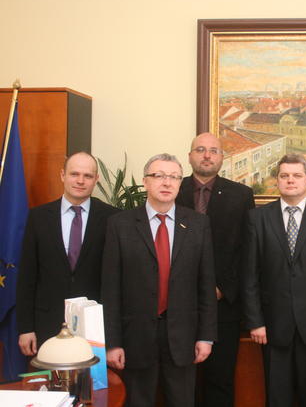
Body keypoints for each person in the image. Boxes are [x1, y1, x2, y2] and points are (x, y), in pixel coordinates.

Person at [102, 153, 217, 407]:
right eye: (159, 176)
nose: (167, 182)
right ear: (145, 181)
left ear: (180, 183)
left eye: (174, 177)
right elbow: (110, 289)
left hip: (183, 337)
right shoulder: (120, 225)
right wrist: (112, 343)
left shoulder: (198, 224)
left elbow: (205, 286)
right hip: (135, 338)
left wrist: (205, 336)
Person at [242, 154, 306, 407]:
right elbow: (250, 275)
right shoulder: (257, 218)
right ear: (276, 181)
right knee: (276, 398)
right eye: (284, 176)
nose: (290, 180)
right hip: (272, 327)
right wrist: (255, 322)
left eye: (297, 175)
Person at [176, 132, 255, 407]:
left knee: (219, 381)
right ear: (190, 156)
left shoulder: (241, 195)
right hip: (177, 306)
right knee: (180, 383)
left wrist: (222, 288)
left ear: (222, 157)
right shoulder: (172, 189)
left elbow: (247, 251)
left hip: (224, 306)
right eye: (200, 149)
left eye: (213, 150)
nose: (207, 155)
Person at [17, 152, 117, 355]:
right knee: (50, 385)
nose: (80, 181)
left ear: (96, 180)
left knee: (91, 386)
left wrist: (114, 336)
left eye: (88, 176)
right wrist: (26, 328)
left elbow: (116, 280)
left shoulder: (113, 218)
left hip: (95, 325)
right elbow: (27, 276)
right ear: (63, 175)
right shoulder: (38, 218)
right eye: (74, 174)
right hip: (46, 324)